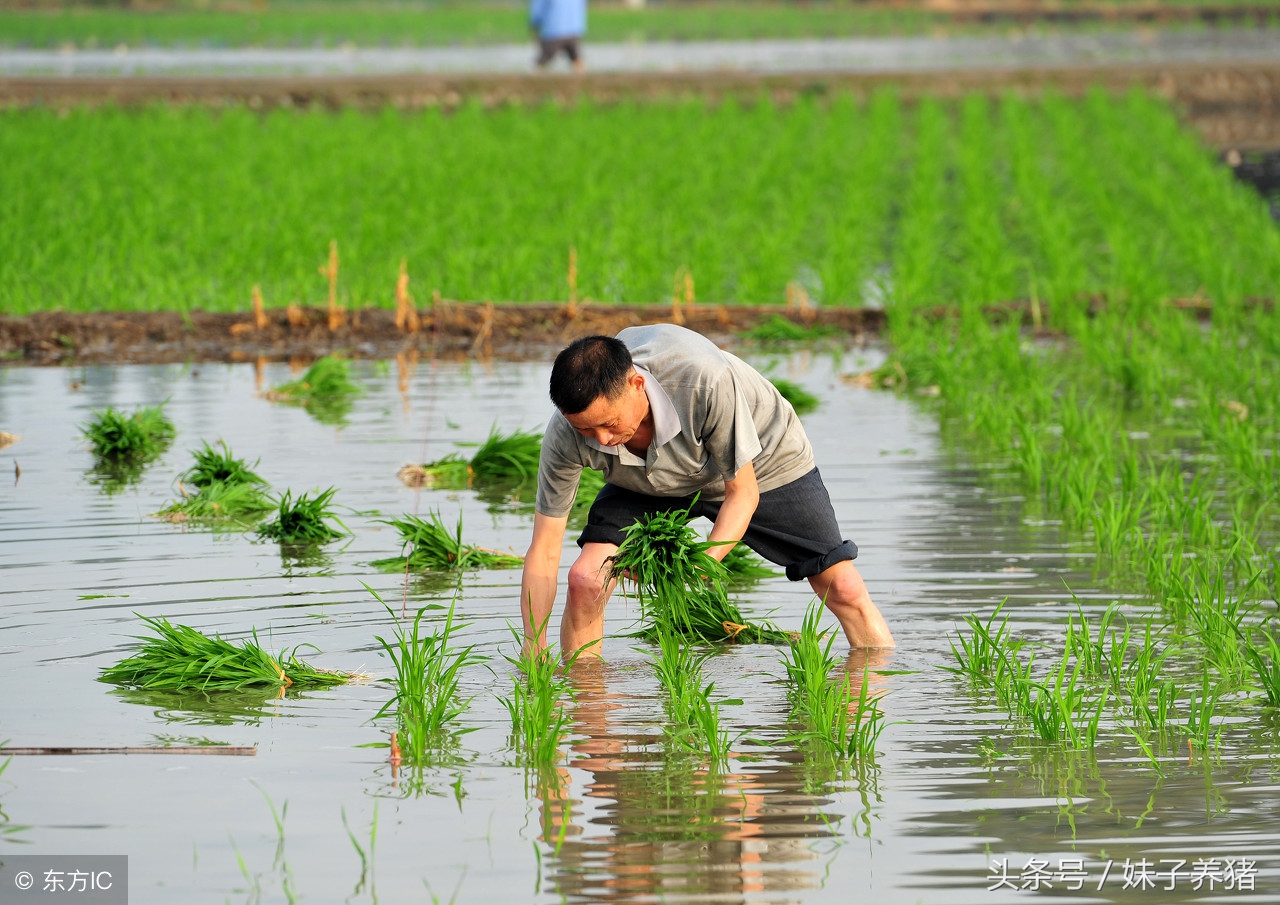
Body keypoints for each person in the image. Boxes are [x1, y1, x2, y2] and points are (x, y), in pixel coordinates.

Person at [520, 323, 895, 658]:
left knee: (842, 586)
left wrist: (703, 563)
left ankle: (876, 684)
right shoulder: (567, 434)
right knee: (586, 579)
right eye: (587, 430)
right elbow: (545, 549)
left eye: (608, 423)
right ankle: (591, 712)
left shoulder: (704, 381)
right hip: (646, 479)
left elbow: (743, 494)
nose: (602, 440)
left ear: (636, 385)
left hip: (762, 461)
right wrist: (533, 644)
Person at [529, 0, 587, 72]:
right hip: (575, 29)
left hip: (554, 30)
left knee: (542, 62)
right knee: (576, 58)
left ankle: (535, 81)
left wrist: (534, 24)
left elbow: (538, 10)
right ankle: (583, 80)